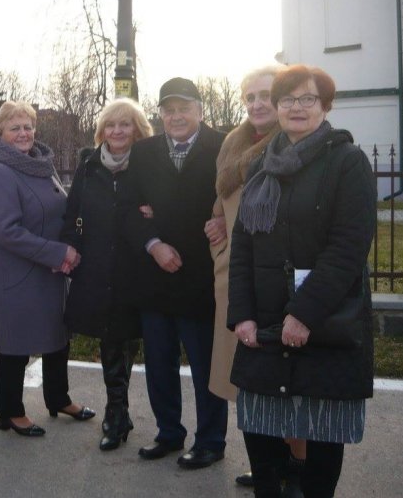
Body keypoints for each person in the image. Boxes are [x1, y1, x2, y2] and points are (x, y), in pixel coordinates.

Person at [227, 65, 377, 498]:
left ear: (325, 106)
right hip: (264, 324)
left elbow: (348, 249)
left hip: (324, 321)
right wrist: (242, 315)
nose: (297, 107)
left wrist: (303, 314)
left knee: (322, 438)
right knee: (261, 432)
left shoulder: (347, 162)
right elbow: (243, 248)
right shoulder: (261, 166)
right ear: (276, 107)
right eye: (288, 99)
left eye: (308, 99)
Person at [121, 77, 227, 469]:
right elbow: (129, 209)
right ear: (161, 114)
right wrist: (153, 244)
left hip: (202, 276)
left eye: (184, 108)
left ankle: (211, 440)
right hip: (156, 275)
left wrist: (225, 222)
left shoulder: (222, 146)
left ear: (200, 110)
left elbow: (237, 199)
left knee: (205, 366)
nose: (176, 116)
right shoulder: (144, 152)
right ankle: (168, 432)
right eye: (169, 110)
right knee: (159, 363)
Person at [0, 101, 94, 438]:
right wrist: (58, 253)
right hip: (19, 272)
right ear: (0, 133)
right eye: (14, 128)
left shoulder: (41, 165)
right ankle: (10, 410)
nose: (23, 133)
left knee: (58, 337)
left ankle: (59, 398)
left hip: (52, 270)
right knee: (17, 344)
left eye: (28, 127)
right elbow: (6, 231)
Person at [203, 65, 293, 488]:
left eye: (266, 95)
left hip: (277, 275)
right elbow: (222, 203)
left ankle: (292, 466)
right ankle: (266, 464)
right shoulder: (233, 144)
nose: (257, 104)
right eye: (250, 97)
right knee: (246, 377)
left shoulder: (293, 141)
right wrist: (217, 226)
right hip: (235, 275)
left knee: (284, 379)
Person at [61, 98, 152, 451]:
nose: (117, 131)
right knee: (110, 336)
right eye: (111, 125)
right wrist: (69, 246)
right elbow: (72, 213)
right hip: (97, 265)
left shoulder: (148, 165)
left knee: (128, 335)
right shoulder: (89, 166)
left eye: (125, 124)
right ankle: (117, 412)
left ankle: (121, 411)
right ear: (102, 130)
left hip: (137, 265)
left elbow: (166, 204)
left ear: (137, 129)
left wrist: (155, 212)